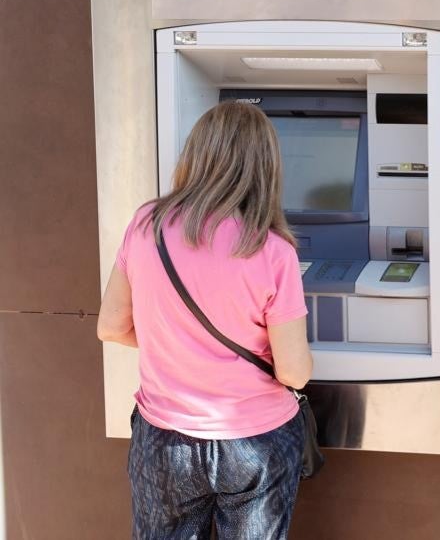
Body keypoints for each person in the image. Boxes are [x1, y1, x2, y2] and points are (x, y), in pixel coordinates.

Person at [97, 101, 314, 540]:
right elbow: (295, 372)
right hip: (255, 442)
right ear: (265, 168)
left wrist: (179, 341)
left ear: (196, 155)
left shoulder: (146, 226)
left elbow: (112, 326)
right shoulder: (274, 252)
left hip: (164, 439)